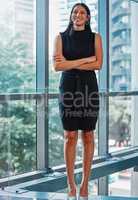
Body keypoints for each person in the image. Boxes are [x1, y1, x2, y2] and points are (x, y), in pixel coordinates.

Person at [53, 3, 103, 200]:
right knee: (70, 136)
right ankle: (70, 184)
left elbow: (98, 64)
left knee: (88, 135)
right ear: (71, 16)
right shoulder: (60, 38)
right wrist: (85, 60)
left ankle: (84, 185)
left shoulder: (95, 38)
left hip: (89, 88)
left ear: (88, 17)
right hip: (68, 89)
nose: (78, 15)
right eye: (75, 12)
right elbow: (57, 66)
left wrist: (70, 62)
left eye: (82, 12)